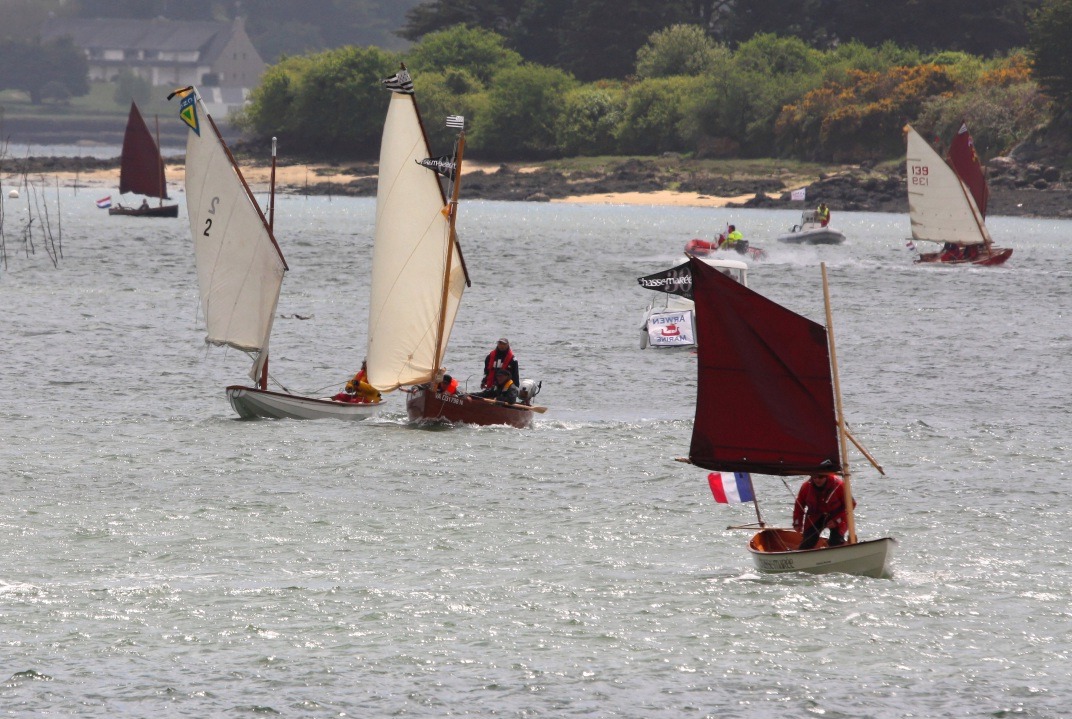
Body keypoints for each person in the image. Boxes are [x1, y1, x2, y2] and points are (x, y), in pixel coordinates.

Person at [792, 473, 852, 550]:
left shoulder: (839, 485)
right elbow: (799, 506)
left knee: (835, 542)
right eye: (815, 477)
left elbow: (851, 506)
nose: (817, 480)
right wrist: (797, 523)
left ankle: (840, 550)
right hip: (815, 516)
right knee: (807, 543)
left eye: (821, 477)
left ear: (827, 476)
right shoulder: (806, 487)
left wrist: (836, 520)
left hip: (836, 516)